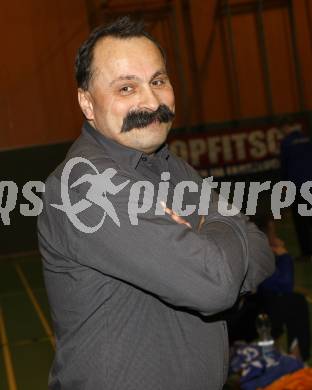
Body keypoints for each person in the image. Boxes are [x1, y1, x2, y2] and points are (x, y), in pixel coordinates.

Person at [37, 16, 274, 390]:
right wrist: (220, 220)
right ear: (87, 102)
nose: (151, 101)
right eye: (127, 88)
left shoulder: (172, 165)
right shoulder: (83, 185)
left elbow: (261, 252)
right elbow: (213, 286)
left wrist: (212, 246)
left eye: (158, 81)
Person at [228, 213, 310, 362]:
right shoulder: (254, 255)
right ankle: (296, 359)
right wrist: (284, 256)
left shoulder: (246, 249)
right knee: (293, 302)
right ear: (263, 235)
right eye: (273, 232)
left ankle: (292, 357)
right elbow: (285, 285)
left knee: (283, 300)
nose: (276, 237)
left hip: (242, 315)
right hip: (236, 323)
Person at [279, 116, 312, 260]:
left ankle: (307, 252)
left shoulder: (286, 143)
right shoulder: (308, 139)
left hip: (297, 186)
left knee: (301, 222)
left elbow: (285, 166)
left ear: (286, 127)